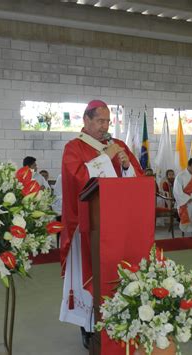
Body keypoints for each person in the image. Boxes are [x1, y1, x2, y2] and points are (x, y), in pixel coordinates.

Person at [59, 100, 143, 349]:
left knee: (115, 274)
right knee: (89, 273)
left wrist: (126, 165)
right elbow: (78, 179)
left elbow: (136, 182)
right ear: (86, 120)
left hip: (117, 225)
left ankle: (117, 318)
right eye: (100, 121)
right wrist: (105, 159)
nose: (105, 126)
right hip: (86, 225)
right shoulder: (74, 148)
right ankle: (88, 326)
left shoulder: (118, 146)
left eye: (108, 121)